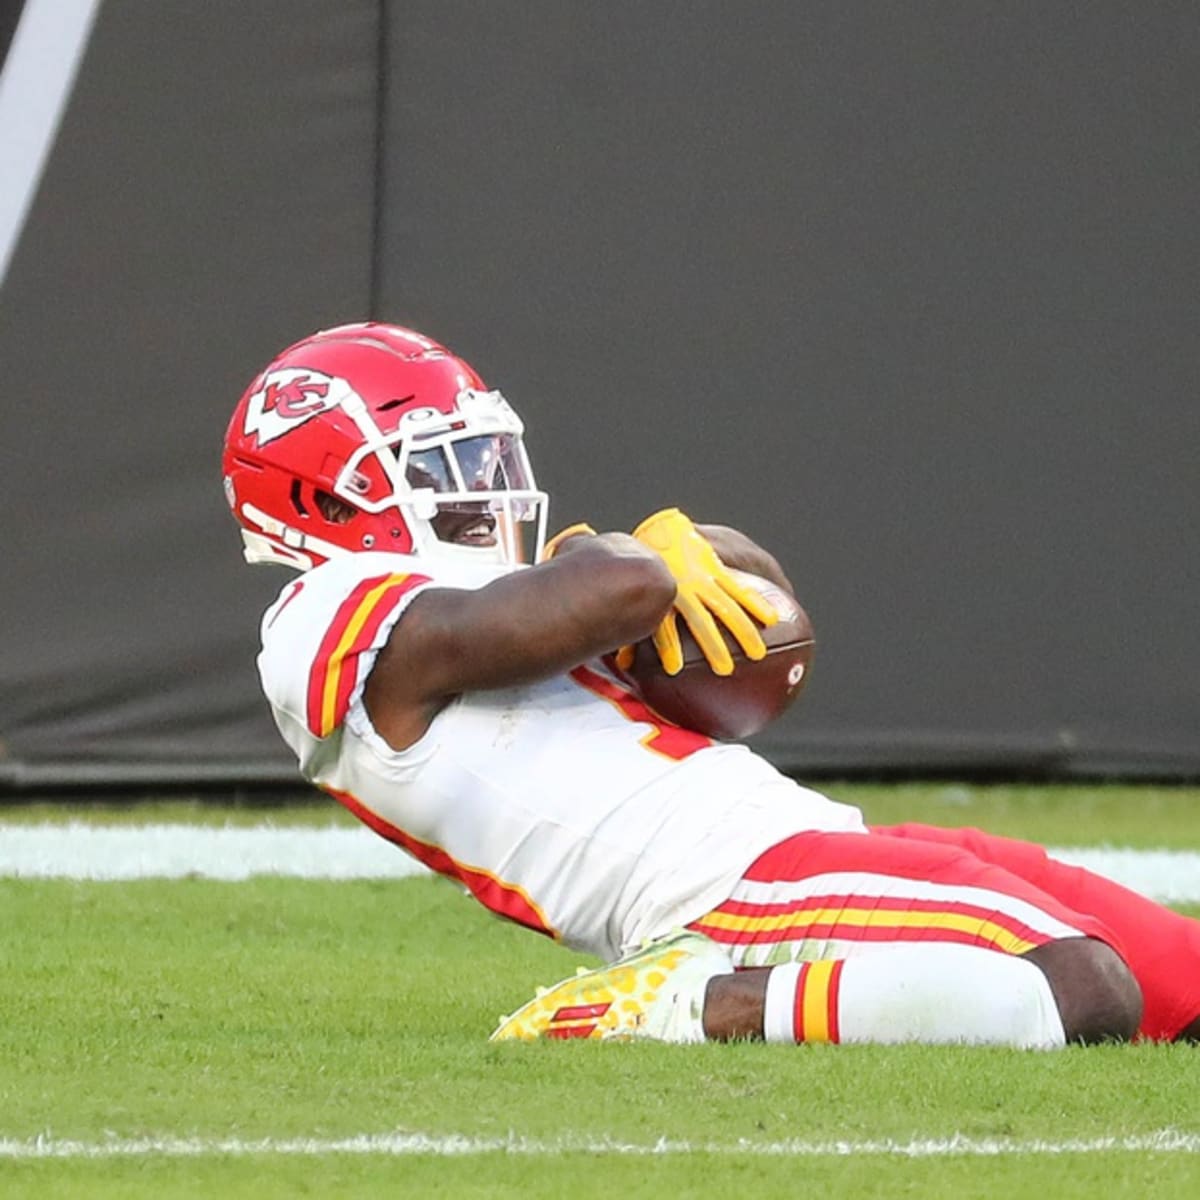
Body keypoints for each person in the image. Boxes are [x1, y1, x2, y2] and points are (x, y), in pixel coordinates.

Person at [223, 321, 1200, 1048]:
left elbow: (745, 622)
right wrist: (632, 555)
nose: (485, 484)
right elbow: (626, 583)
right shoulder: (321, 616)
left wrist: (699, 550)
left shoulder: (518, 594)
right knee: (1083, 991)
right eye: (442, 463)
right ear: (324, 495)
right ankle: (682, 1003)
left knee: (1181, 982)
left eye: (484, 454)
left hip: (811, 843)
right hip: (714, 888)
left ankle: (712, 987)